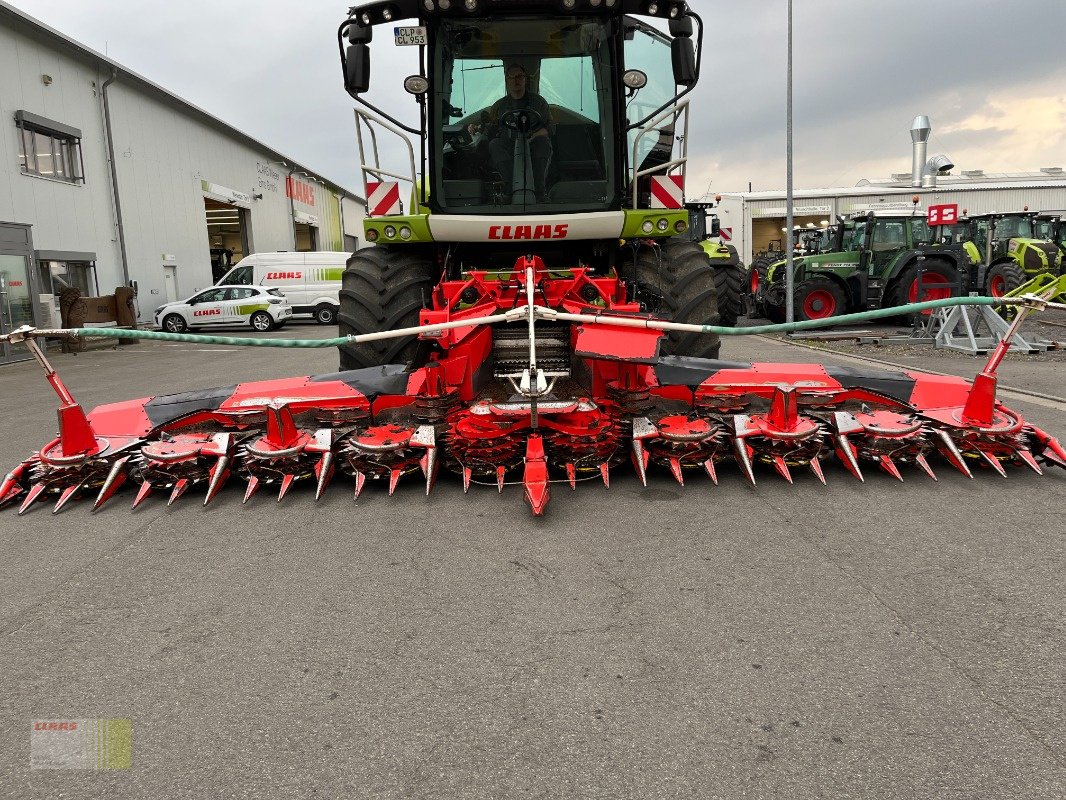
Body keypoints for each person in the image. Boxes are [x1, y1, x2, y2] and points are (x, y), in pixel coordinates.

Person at [478, 64, 553, 200]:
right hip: (508, 145)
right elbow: (491, 128)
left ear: (525, 79)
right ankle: (509, 190)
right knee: (495, 144)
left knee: (543, 143)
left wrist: (534, 136)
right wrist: (475, 127)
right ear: (507, 80)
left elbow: (549, 128)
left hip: (533, 143)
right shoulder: (499, 106)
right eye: (511, 77)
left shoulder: (539, 102)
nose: (515, 80)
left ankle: (540, 192)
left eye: (519, 76)